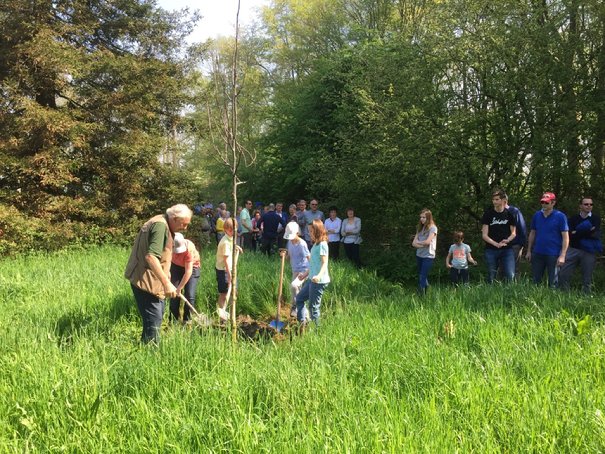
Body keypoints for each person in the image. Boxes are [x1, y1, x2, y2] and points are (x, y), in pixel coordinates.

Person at [124, 204, 192, 344]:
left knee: (156, 317)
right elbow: (151, 257)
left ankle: (145, 347)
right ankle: (151, 355)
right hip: (145, 282)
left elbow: (160, 255)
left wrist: (166, 274)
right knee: (154, 321)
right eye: (183, 224)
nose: (185, 228)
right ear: (174, 218)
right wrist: (167, 284)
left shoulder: (162, 222)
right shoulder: (160, 226)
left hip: (150, 280)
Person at [558, 197, 602, 294]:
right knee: (564, 273)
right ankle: (564, 294)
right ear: (580, 206)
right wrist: (586, 230)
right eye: (586, 204)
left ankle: (586, 296)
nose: (589, 206)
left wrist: (577, 232)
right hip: (573, 249)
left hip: (589, 252)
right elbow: (570, 235)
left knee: (587, 276)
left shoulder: (596, 218)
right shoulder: (573, 219)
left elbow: (594, 234)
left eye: (591, 204)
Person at [525, 192, 569, 288]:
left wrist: (563, 255)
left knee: (553, 282)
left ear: (553, 203)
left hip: (553, 254)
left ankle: (552, 301)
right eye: (542, 202)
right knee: (535, 281)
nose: (544, 204)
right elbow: (532, 233)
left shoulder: (560, 216)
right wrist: (529, 250)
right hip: (537, 253)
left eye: (547, 203)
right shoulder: (537, 215)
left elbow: (565, 237)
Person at [295, 219, 330, 327]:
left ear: (318, 230)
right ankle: (302, 324)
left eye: (311, 231)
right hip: (311, 279)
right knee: (300, 298)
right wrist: (305, 274)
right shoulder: (316, 244)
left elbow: (324, 263)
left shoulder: (323, 245)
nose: (309, 233)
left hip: (319, 281)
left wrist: (318, 276)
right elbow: (314, 264)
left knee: (313, 307)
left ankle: (317, 331)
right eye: (309, 231)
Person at [481, 189, 517, 283]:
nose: (494, 201)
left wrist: (507, 240)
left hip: (506, 249)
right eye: (493, 199)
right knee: (491, 275)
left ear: (502, 200)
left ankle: (509, 295)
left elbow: (513, 233)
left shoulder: (509, 214)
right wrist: (495, 244)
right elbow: (484, 235)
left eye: (497, 199)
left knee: (510, 275)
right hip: (491, 249)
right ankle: (489, 295)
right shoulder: (488, 214)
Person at [169, 232, 201, 323]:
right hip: (176, 266)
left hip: (192, 268)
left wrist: (180, 287)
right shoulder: (168, 245)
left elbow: (188, 271)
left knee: (189, 295)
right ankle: (173, 321)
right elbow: (166, 260)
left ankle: (187, 320)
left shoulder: (189, 249)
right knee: (174, 294)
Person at [283, 221, 310, 318]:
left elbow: (309, 258)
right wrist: (284, 256)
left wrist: (309, 271)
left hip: (303, 270)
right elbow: (289, 256)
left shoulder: (302, 244)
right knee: (295, 289)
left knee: (294, 286)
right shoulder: (289, 243)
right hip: (295, 269)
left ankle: (296, 306)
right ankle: (301, 310)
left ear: (297, 233)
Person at [216, 218, 242, 320]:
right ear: (225, 229)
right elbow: (226, 260)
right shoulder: (225, 242)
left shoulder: (230, 238)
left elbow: (232, 244)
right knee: (224, 293)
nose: (233, 232)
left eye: (234, 230)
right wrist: (229, 275)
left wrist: (237, 247)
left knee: (234, 290)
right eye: (231, 230)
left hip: (230, 269)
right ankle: (222, 316)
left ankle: (231, 313)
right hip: (224, 270)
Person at [412, 209, 437, 294]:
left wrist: (419, 243)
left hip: (428, 256)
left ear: (429, 218)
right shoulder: (419, 228)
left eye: (424, 217)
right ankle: (427, 289)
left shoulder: (433, 228)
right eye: (421, 217)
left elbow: (427, 242)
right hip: (419, 255)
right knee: (421, 275)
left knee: (423, 275)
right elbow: (413, 243)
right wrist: (422, 244)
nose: (421, 219)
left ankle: (421, 295)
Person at [504, 195, 527, 278]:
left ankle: (515, 288)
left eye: (497, 199)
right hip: (500, 245)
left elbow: (522, 227)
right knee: (501, 268)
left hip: (515, 244)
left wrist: (522, 244)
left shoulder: (514, 211)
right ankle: (500, 288)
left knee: (514, 268)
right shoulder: (495, 212)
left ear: (504, 201)